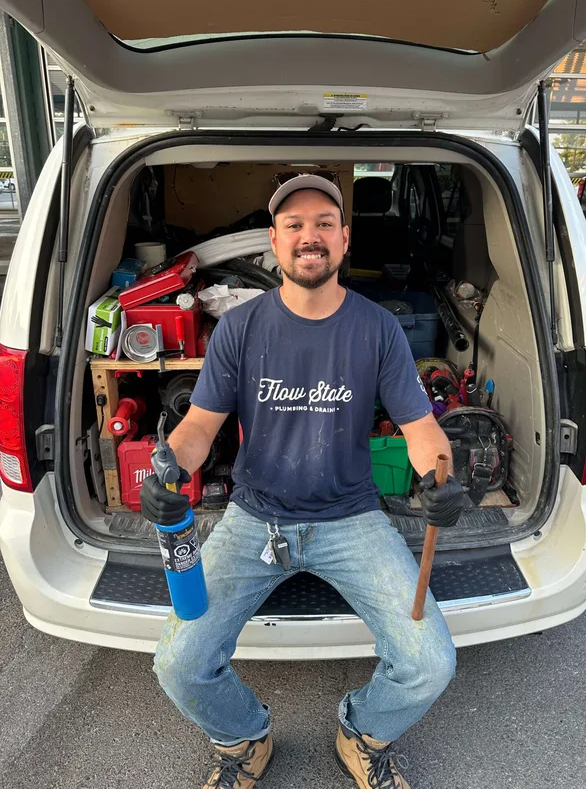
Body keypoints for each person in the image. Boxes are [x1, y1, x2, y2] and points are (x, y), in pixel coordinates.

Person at [140, 173, 471, 789]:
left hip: (351, 519)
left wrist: (439, 477)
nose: (309, 236)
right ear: (274, 240)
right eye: (294, 225)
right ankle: (243, 736)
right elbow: (197, 429)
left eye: (324, 224)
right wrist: (168, 467)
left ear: (345, 241)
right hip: (253, 519)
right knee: (180, 664)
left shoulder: (377, 329)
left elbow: (421, 428)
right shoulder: (240, 329)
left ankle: (362, 730)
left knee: (429, 663)